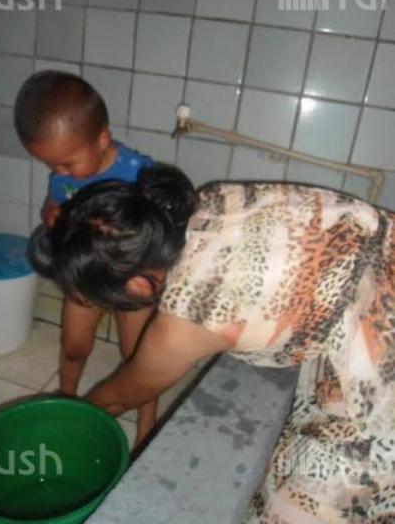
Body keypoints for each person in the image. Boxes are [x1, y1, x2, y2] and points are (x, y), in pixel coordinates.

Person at [29, 164, 395, 522]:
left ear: (138, 285)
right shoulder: (208, 200)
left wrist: (66, 428)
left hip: (382, 383)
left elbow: (117, 398)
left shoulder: (185, 319)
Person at [15, 70, 157, 446]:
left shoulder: (141, 175)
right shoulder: (63, 173)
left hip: (131, 277)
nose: (60, 173)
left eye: (66, 164)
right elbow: (55, 200)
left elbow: (158, 230)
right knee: (74, 345)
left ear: (102, 139)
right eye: (52, 167)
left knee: (139, 359)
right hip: (84, 276)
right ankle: (66, 399)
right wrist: (50, 211)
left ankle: (147, 426)